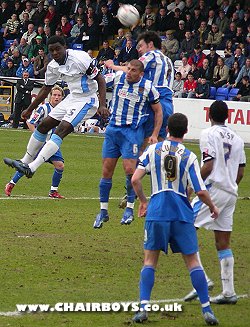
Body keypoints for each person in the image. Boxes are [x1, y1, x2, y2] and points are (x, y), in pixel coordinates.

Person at [131, 112, 219, 326]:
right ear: (186, 131)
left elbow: (135, 179)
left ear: (167, 130)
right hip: (181, 213)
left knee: (150, 260)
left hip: (158, 211)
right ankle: (207, 310)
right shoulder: (189, 156)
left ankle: (143, 309)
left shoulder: (153, 150)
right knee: (192, 262)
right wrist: (213, 207)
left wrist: (143, 201)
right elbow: (200, 191)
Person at [4, 35, 108, 179]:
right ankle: (24, 162)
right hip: (72, 97)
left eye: (57, 49)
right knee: (43, 125)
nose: (54, 53)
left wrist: (102, 105)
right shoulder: (53, 66)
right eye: (51, 50)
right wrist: (29, 109)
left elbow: (100, 79)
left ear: (65, 47)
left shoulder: (80, 58)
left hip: (87, 99)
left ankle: (32, 168)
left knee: (60, 130)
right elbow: (46, 89)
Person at [184, 100, 246, 304]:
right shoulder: (237, 138)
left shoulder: (208, 134)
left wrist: (193, 186)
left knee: (184, 228)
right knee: (223, 242)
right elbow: (241, 171)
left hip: (214, 189)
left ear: (209, 115)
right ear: (227, 116)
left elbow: (208, 165)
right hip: (230, 193)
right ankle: (228, 292)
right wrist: (230, 185)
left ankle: (202, 280)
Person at [93, 59, 162, 229]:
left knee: (130, 170)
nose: (129, 72)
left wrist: (154, 134)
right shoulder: (118, 77)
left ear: (141, 74)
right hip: (112, 130)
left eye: (132, 70)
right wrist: (101, 103)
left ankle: (129, 209)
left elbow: (158, 111)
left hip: (132, 132)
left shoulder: (148, 87)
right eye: (128, 69)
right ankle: (103, 212)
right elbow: (98, 79)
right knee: (106, 171)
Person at [5, 86, 65, 199]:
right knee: (28, 166)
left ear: (62, 97)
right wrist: (39, 138)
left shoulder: (63, 110)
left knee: (60, 166)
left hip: (52, 144)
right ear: (50, 96)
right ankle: (11, 184)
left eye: (59, 95)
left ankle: (53, 191)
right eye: (54, 95)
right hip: (41, 144)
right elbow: (30, 122)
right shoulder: (43, 108)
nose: (56, 97)